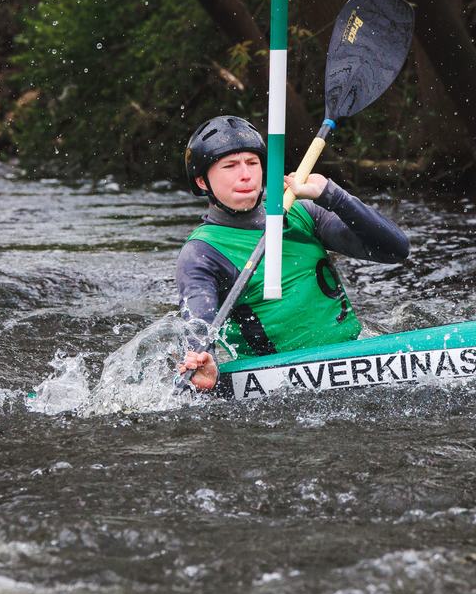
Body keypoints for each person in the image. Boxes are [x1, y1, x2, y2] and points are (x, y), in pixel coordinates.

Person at [176, 115, 410, 391]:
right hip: (282, 385)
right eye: (230, 166)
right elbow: (199, 330)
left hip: (354, 353)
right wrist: (206, 361)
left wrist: (332, 195)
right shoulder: (202, 253)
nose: (245, 174)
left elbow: (395, 249)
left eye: (252, 163)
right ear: (203, 182)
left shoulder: (302, 211)